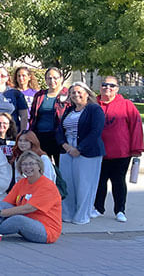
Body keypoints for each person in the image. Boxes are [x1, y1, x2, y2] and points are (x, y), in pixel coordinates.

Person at [0, 152, 62, 244]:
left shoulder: (47, 186)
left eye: (31, 164)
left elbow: (28, 208)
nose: (28, 167)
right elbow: (5, 203)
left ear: (39, 166)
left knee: (17, 219)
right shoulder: (22, 183)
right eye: (24, 164)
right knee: (3, 205)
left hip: (46, 231)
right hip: (26, 221)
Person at [94, 76, 143, 222]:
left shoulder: (127, 105)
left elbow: (136, 127)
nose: (107, 88)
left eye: (112, 85)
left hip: (121, 152)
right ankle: (98, 208)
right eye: (104, 84)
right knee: (100, 181)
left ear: (117, 88)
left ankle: (120, 210)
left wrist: (136, 149)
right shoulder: (94, 104)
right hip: (98, 152)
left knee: (118, 182)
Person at [56, 82, 105, 225]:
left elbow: (96, 132)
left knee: (84, 185)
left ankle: (81, 216)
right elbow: (59, 130)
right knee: (68, 184)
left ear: (87, 93)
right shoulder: (69, 110)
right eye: (72, 93)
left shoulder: (94, 109)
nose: (76, 95)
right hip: (67, 150)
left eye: (79, 92)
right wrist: (65, 145)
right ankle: (68, 214)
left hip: (87, 152)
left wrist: (80, 148)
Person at [29, 67, 69, 164]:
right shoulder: (40, 95)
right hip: (40, 136)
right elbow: (33, 116)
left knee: (60, 168)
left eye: (55, 78)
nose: (52, 81)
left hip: (58, 137)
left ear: (61, 79)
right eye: (49, 78)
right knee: (42, 166)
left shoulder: (67, 94)